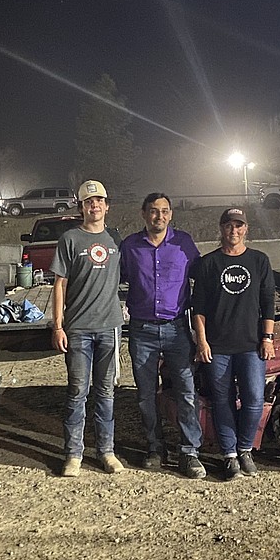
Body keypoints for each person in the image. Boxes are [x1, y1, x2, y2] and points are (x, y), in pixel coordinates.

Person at [120, 192, 205, 479]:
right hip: (141, 331)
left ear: (171, 214)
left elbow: (204, 278)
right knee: (145, 395)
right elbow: (109, 280)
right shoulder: (130, 247)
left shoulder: (184, 244)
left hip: (177, 329)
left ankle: (189, 451)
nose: (160, 216)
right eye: (154, 211)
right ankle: (155, 448)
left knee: (186, 391)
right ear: (143, 214)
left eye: (165, 211)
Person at [190, 207, 276, 480]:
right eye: (229, 225)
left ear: (246, 229)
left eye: (239, 226)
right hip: (217, 347)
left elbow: (269, 304)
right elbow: (198, 308)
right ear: (221, 228)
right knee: (222, 401)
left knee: (253, 398)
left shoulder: (259, 261)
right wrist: (201, 342)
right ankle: (229, 456)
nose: (234, 231)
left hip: (251, 345)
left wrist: (267, 337)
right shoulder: (209, 264)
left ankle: (245, 449)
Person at [51, 179, 125, 477]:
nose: (94, 206)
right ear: (81, 207)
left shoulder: (116, 241)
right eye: (88, 202)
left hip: (110, 328)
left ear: (107, 206)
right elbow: (60, 285)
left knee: (106, 392)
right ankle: (74, 454)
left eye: (99, 201)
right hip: (79, 328)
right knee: (78, 391)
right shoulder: (70, 240)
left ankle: (106, 451)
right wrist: (58, 326)